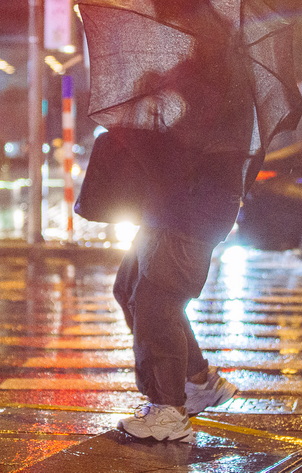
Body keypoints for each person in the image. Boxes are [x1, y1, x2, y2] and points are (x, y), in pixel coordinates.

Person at [112, 45, 256, 443]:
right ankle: (198, 380)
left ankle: (170, 408)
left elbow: (184, 154)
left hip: (191, 208)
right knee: (129, 291)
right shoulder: (205, 62)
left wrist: (145, 117)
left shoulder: (222, 73)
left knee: (156, 303)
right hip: (168, 205)